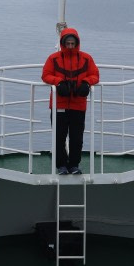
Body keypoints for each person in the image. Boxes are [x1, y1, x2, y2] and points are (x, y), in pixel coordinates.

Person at [42, 27, 100, 175]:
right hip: (58, 105)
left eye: (72, 43)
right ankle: (61, 166)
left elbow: (95, 75)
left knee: (76, 138)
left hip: (78, 105)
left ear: (77, 43)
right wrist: (59, 82)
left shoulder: (86, 58)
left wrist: (87, 83)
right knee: (59, 137)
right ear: (62, 43)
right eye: (67, 43)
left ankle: (74, 165)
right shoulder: (53, 58)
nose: (70, 46)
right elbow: (46, 75)